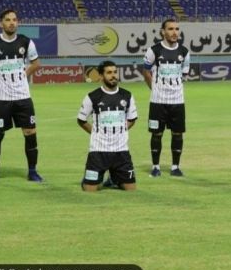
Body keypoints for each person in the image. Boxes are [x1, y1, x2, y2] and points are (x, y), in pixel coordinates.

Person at [0, 9, 42, 184]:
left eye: (14, 20)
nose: (12, 22)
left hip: (22, 97)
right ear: (1, 23)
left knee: (30, 133)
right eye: (7, 20)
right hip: (0, 99)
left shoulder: (26, 42)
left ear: (17, 22)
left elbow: (36, 64)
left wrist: (23, 74)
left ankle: (33, 172)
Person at [78, 60, 139, 191]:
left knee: (131, 189)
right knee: (90, 190)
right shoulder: (92, 97)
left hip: (121, 151)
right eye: (109, 72)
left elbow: (132, 119)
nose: (113, 75)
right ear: (101, 76)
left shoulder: (127, 95)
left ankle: (114, 178)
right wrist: (95, 132)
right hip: (98, 151)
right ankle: (90, 179)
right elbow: (81, 120)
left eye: (115, 72)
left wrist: (120, 130)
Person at [142, 18, 190, 177]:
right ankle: (155, 166)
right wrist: (154, 88)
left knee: (178, 134)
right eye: (170, 29)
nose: (174, 32)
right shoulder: (154, 50)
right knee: (157, 134)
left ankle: (175, 167)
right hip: (157, 102)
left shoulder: (184, 52)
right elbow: (146, 71)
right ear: (163, 31)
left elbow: (184, 74)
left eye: (177, 29)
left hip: (177, 101)